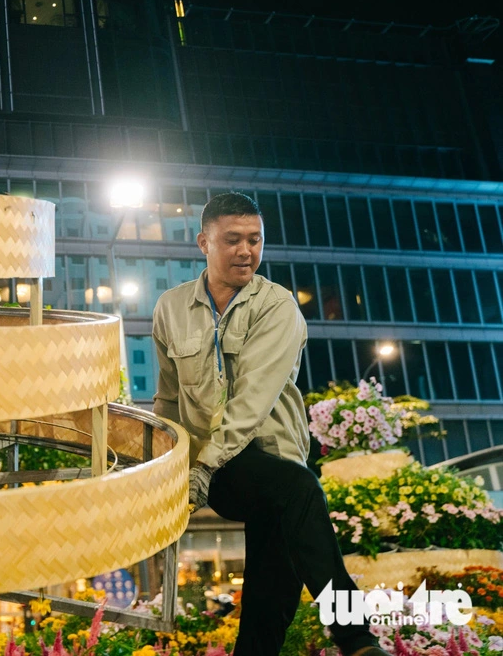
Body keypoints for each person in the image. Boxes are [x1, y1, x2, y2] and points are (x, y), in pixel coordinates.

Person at [152, 192, 384, 656]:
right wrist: (168, 470)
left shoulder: (278, 306)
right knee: (297, 490)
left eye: (255, 240)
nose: (246, 251)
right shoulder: (170, 308)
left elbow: (252, 402)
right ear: (204, 242)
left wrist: (203, 468)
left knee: (267, 605)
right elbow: (168, 400)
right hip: (222, 470)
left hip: (268, 459)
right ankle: (357, 640)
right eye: (233, 239)